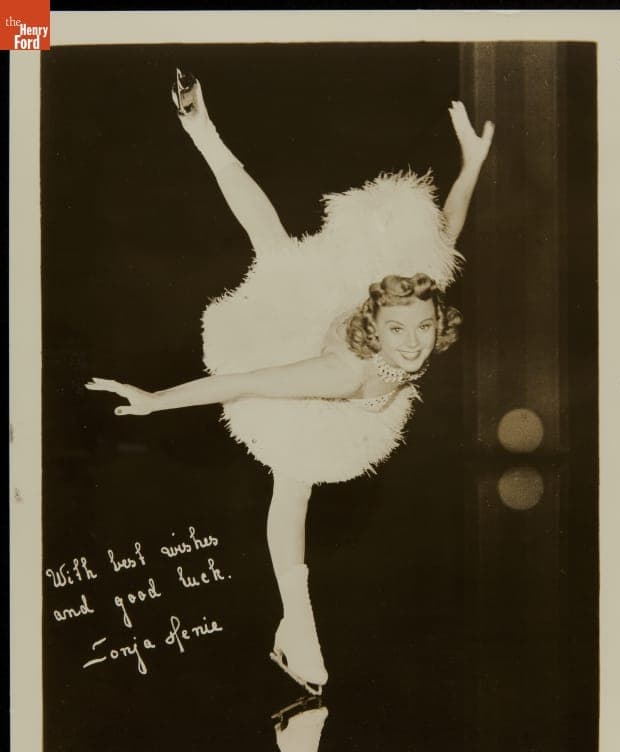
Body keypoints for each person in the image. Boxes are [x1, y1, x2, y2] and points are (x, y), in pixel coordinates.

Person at [86, 71, 494, 696]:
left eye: (423, 327)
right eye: (400, 331)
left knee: (406, 246)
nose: (414, 344)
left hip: (358, 372)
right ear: (375, 327)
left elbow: (449, 232)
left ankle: (294, 627)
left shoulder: (411, 307)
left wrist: (471, 164)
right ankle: (297, 621)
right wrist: (155, 401)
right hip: (305, 348)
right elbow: (241, 380)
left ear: (438, 319)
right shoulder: (342, 371)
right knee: (272, 247)